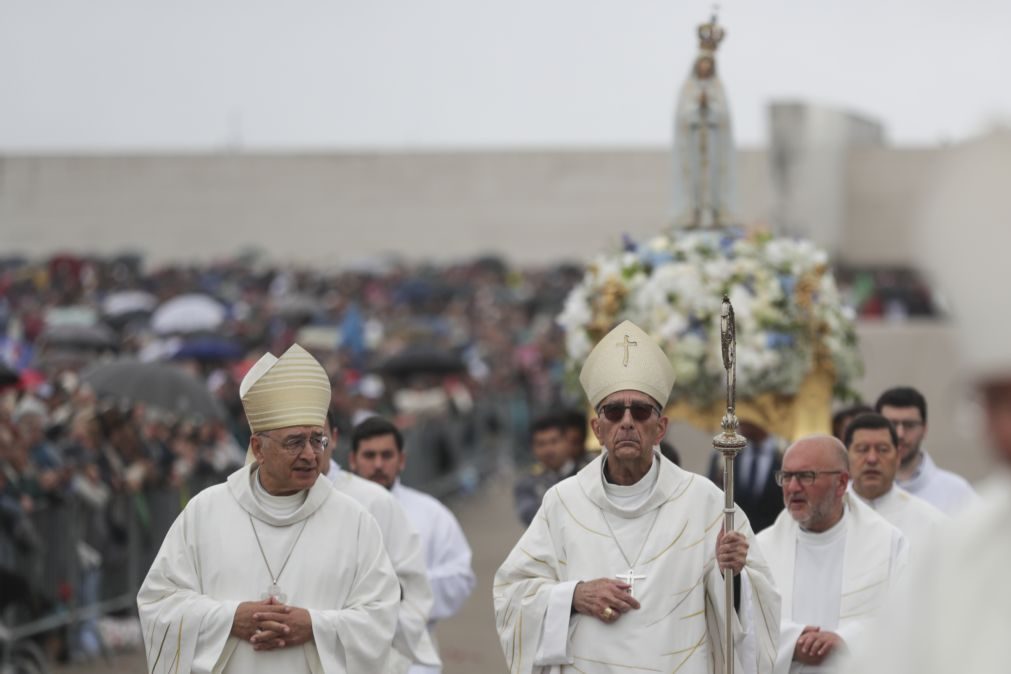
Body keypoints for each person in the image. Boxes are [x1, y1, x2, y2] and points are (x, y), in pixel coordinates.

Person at [494, 320, 780, 674]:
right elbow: (512, 594)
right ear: (597, 430)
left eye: (641, 411)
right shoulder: (563, 501)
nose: (626, 421)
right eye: (613, 412)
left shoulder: (704, 501)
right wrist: (574, 595)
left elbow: (755, 601)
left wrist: (732, 573)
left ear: (660, 428)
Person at [137, 344, 400, 673]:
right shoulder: (205, 512)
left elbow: (381, 615)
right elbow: (159, 603)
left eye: (317, 440)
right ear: (258, 448)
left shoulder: (354, 520)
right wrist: (231, 619)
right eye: (294, 442)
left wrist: (315, 626)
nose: (309, 454)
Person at [756, 435, 907, 673]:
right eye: (786, 476)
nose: (793, 487)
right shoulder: (761, 548)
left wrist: (847, 641)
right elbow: (743, 625)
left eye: (806, 476)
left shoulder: (888, 543)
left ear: (841, 483)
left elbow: (908, 618)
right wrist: (793, 640)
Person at [348, 416, 476, 674]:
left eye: (387, 455)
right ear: (352, 460)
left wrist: (406, 588)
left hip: (413, 655)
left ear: (402, 460)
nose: (378, 464)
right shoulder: (337, 511)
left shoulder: (431, 513)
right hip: (349, 654)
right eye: (369, 455)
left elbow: (461, 577)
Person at [320, 411, 440, 673]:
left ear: (333, 437)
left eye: (318, 437)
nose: (307, 449)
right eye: (294, 438)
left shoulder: (375, 501)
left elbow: (412, 588)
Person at [843, 413, 946, 555]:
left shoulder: (932, 522)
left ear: (897, 457)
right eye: (862, 449)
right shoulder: (828, 515)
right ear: (846, 456)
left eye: (882, 449)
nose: (872, 459)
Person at [874, 386, 978, 514]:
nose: (900, 434)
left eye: (909, 425)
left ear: (924, 429)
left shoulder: (958, 493)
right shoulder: (852, 494)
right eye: (892, 424)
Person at [708, 419, 784, 532]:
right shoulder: (724, 456)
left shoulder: (782, 455)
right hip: (734, 535)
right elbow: (711, 496)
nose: (741, 420)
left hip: (773, 535)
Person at [514, 414, 576, 525]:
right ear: (533, 448)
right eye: (541, 444)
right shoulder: (527, 484)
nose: (548, 449)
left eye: (554, 441)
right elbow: (530, 517)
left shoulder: (588, 473)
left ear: (567, 441)